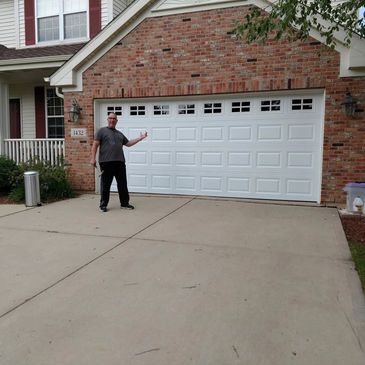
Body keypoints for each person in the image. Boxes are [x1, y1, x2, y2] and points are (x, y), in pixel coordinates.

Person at [90, 112, 148, 212]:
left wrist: (140, 138)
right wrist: (92, 158)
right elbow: (95, 145)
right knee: (106, 185)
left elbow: (128, 143)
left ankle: (124, 203)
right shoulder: (101, 131)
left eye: (114, 119)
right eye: (110, 118)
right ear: (107, 119)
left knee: (122, 184)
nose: (112, 120)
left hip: (120, 162)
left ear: (116, 121)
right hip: (106, 162)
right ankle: (103, 205)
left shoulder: (119, 134)